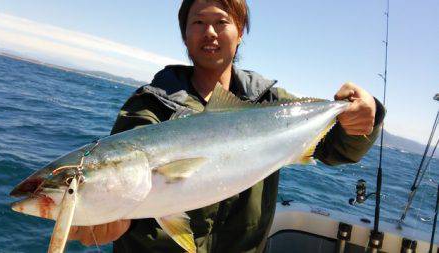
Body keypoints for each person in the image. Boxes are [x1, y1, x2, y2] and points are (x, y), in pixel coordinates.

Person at [69, 0, 385, 252]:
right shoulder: (150, 104)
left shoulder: (270, 101)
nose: (210, 32)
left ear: (240, 31)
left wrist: (364, 115)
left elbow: (335, 151)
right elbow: (125, 176)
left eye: (221, 22)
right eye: (198, 22)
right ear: (184, 35)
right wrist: (115, 221)